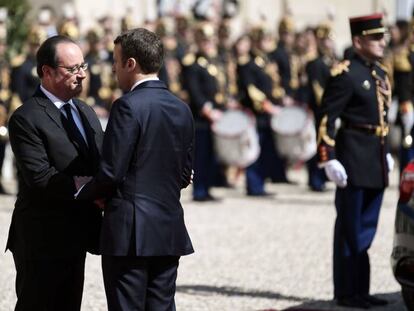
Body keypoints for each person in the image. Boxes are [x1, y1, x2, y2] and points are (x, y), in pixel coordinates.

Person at [76, 28, 194, 310]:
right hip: (167, 227)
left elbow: (112, 172)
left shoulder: (127, 106)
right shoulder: (181, 108)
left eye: (116, 61)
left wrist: (83, 191)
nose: (114, 69)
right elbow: (184, 175)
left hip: (130, 232)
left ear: (131, 64)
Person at [5, 35, 103, 310]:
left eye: (83, 66)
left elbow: (103, 158)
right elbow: (41, 177)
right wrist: (93, 188)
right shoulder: (26, 117)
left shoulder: (85, 111)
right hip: (42, 237)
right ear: (47, 72)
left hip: (78, 231)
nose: (82, 74)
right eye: (72, 69)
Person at [316, 13, 392, 308]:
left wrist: (385, 152)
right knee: (350, 228)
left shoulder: (380, 74)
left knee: (367, 229)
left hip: (374, 156)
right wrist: (328, 159)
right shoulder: (345, 74)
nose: (382, 42)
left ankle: (362, 289)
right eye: (375, 37)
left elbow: (381, 117)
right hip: (352, 158)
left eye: (382, 36)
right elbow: (326, 119)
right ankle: (347, 292)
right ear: (358, 41)